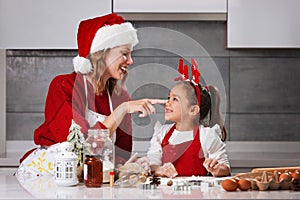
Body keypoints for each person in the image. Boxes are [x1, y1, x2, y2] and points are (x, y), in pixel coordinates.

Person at [17, 13, 166, 176]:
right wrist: (121, 110)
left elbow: (119, 155)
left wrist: (126, 168)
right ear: (101, 53)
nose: (130, 61)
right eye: (124, 53)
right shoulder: (64, 87)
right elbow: (79, 146)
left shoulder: (120, 96)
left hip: (87, 176)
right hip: (48, 176)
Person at [146, 58, 230, 177]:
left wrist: (217, 168)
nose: (167, 103)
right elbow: (152, 165)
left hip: (199, 194)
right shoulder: (162, 133)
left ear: (193, 110)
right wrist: (159, 170)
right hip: (165, 194)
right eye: (168, 98)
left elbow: (225, 167)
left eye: (175, 99)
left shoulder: (206, 136)